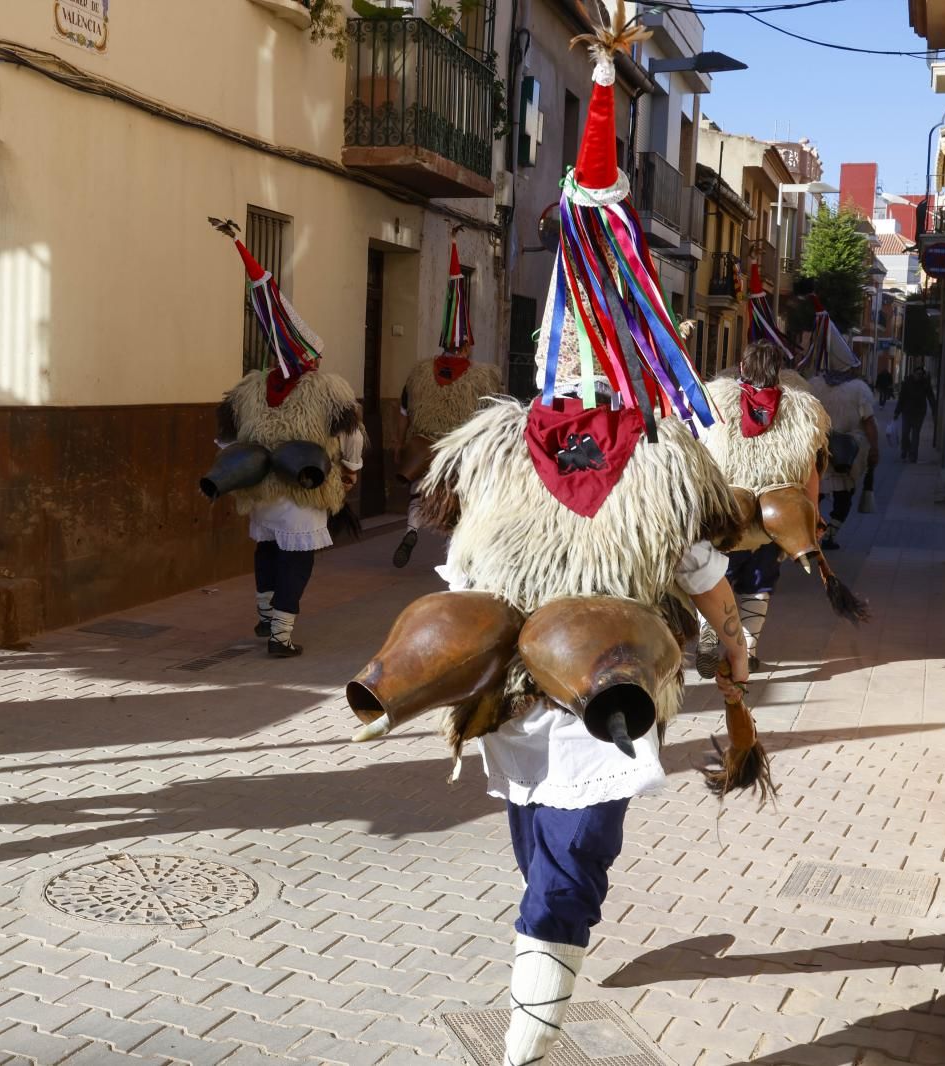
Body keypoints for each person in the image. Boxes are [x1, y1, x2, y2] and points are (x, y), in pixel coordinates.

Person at [353, 19, 750, 1063]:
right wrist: (731, 638)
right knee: (544, 851)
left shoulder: (641, 465)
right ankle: (547, 948)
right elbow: (473, 578)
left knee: (566, 861)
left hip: (598, 706)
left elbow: (690, 568)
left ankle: (531, 1022)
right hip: (521, 704)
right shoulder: (537, 456)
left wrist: (730, 640)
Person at [207, 227, 365, 657]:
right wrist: (351, 469)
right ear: (305, 354)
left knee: (268, 547)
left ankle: (264, 617)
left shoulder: (249, 389)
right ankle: (280, 636)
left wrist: (239, 472)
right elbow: (352, 437)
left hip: (262, 491)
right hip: (304, 491)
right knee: (297, 558)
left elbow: (226, 442)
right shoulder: (329, 389)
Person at [695, 339, 829, 676]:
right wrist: (813, 515)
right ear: (779, 371)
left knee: (713, 577)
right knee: (759, 581)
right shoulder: (804, 409)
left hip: (727, 515)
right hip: (776, 519)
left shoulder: (716, 400)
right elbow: (811, 471)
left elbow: (697, 457)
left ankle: (710, 632)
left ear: (742, 367)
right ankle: (749, 649)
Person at [392, 243, 504, 568]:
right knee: (459, 500)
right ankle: (456, 554)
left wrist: (398, 443)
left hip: (422, 445)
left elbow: (403, 411)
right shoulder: (483, 378)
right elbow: (489, 417)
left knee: (417, 491)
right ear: (467, 345)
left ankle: (411, 531)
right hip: (459, 450)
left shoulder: (419, 373)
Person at [808, 300, 880, 550]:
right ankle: (830, 535)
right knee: (844, 495)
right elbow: (869, 422)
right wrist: (875, 449)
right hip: (849, 451)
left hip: (817, 449)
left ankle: (812, 533)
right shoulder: (859, 388)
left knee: (814, 494)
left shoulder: (814, 384)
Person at [897, 364, 938, 462]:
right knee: (905, 433)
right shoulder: (907, 382)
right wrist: (897, 411)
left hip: (919, 413)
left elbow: (931, 397)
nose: (918, 376)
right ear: (913, 373)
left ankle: (913, 455)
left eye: (921, 374)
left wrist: (934, 410)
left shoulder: (925, 384)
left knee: (915, 434)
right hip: (907, 412)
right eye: (917, 374)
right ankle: (905, 449)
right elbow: (901, 398)